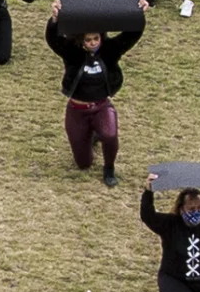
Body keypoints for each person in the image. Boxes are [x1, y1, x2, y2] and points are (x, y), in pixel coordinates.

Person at [49, 9, 137, 184]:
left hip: (100, 107)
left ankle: (109, 167)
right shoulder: (72, 52)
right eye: (88, 40)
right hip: (77, 110)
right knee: (84, 164)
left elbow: (131, 35)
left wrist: (138, 13)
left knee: (110, 135)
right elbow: (53, 39)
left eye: (96, 38)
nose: (93, 43)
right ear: (81, 40)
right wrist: (54, 20)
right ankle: (92, 135)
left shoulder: (109, 51)